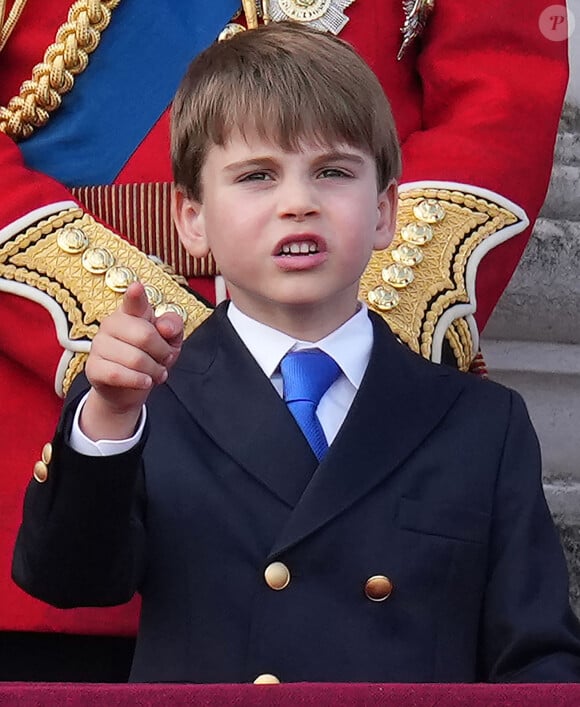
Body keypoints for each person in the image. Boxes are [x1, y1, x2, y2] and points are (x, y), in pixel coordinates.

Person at [0, 0, 569, 680]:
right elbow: (70, 569)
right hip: (49, 379)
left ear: (386, 208)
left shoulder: (483, 429)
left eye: (330, 173)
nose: (296, 203)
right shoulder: (136, 416)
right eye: (258, 177)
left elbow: (499, 89)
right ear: (193, 217)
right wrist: (123, 383)